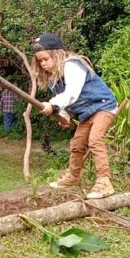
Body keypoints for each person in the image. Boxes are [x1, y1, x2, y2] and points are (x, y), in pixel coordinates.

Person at [31, 32, 118, 199]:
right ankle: (72, 177)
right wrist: (63, 115)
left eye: (45, 59)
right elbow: (68, 102)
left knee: (95, 139)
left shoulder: (72, 65)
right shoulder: (53, 80)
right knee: (77, 144)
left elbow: (72, 92)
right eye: (40, 61)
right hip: (87, 113)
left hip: (103, 106)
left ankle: (104, 181)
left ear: (56, 54)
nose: (43, 64)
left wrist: (53, 104)